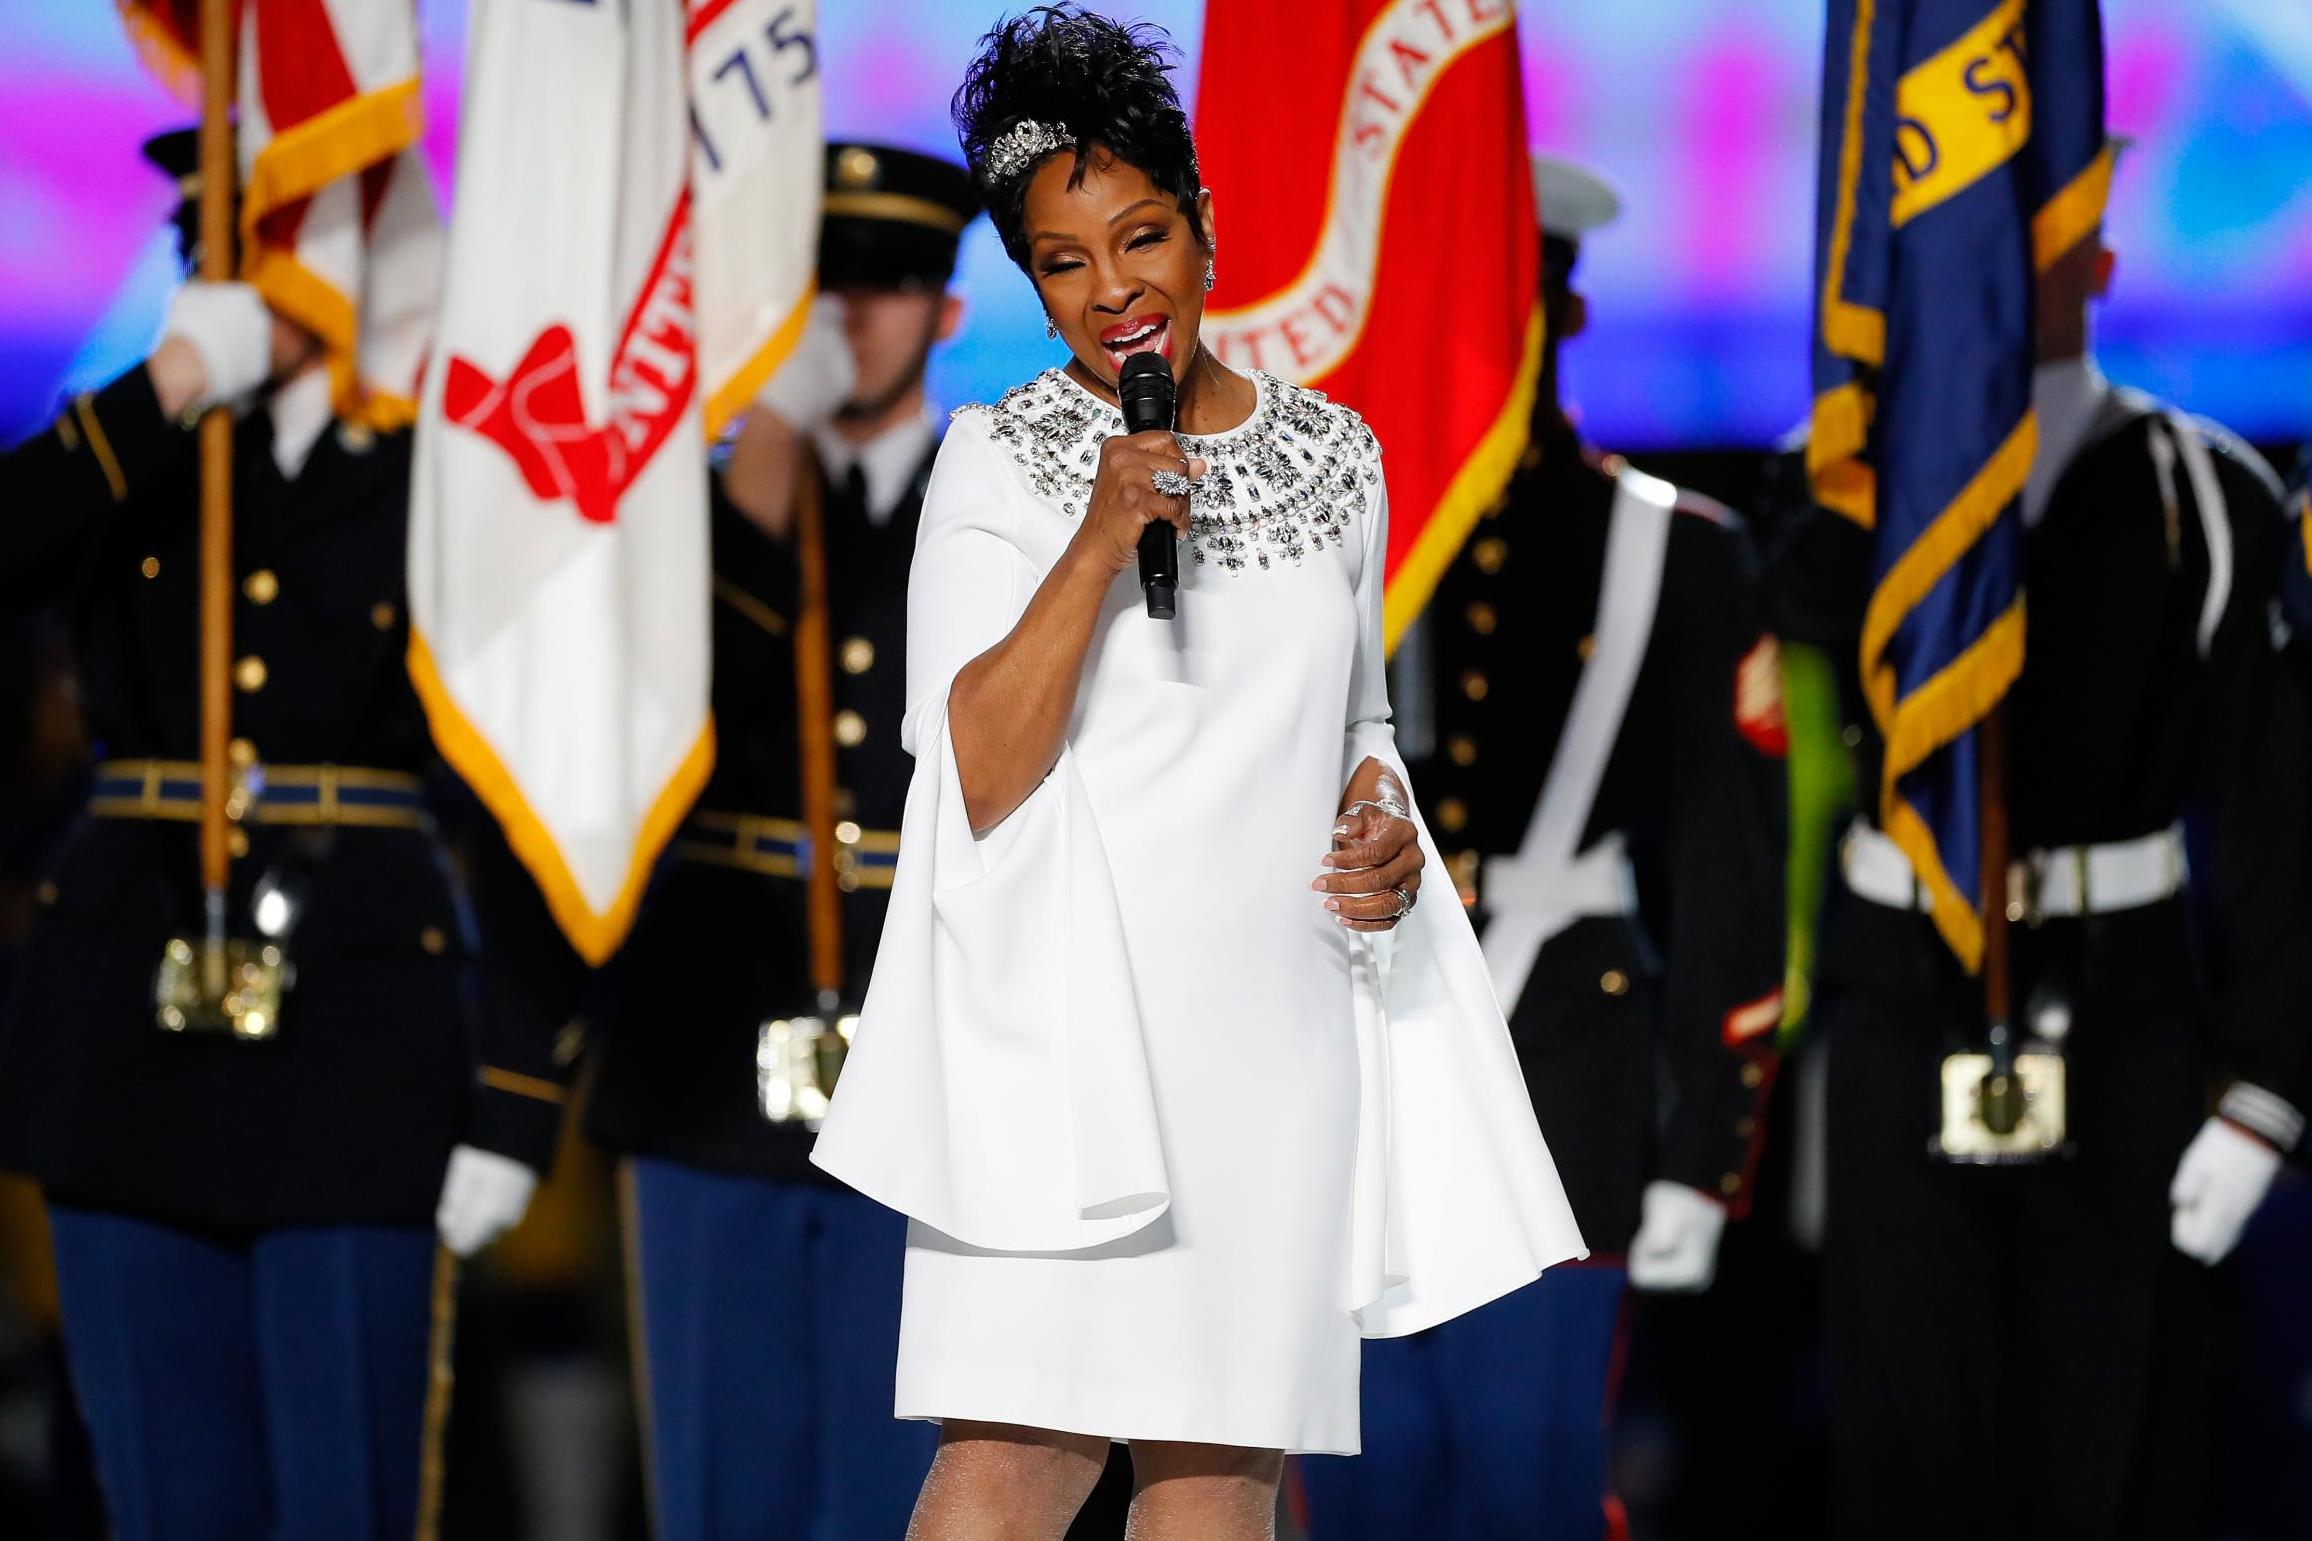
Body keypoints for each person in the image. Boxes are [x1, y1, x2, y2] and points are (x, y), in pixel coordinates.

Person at [806, 11, 1584, 1539]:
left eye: (1142, 236)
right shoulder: (1000, 455)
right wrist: (1101, 536)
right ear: (1033, 287)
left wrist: (1385, 834)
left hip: (1271, 1038)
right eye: (1066, 263)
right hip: (1063, 1033)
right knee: (1010, 1463)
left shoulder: (1340, 454)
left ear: (1206, 226)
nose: (1117, 291)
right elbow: (974, 761)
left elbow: (1356, 725)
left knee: (1224, 1469)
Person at [0, 130, 572, 1540]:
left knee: (348, 1502)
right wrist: (167, 386)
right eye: (220, 245)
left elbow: (546, 796)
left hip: (362, 1050)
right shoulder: (137, 448)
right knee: (164, 1503)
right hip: (126, 1037)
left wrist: (516, 1084)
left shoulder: (458, 476)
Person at [1772, 170, 2312, 1538]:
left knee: (2112, 1445)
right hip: (1900, 992)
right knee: (1904, 1447)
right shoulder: (1835, 480)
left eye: (2049, 236)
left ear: (2108, 260)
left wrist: (2266, 1091)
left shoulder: (2211, 494)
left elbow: (2275, 812)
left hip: (2124, 1005)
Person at [1299, 157, 1788, 1541]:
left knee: (1526, 1481)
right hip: (1346, 1077)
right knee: (1360, 1479)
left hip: (1564, 1071)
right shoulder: (1312, 542)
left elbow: (1728, 877)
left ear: (1561, 314)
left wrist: (1705, 1150)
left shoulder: (1673, 552)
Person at [579, 141, 977, 1541]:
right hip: (712, 1026)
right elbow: (653, 715)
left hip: (937, 1045)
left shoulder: (1005, 510)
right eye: (823, 284)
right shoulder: (693, 507)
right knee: (720, 1483)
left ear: (946, 311)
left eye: (887, 282)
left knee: (909, 1487)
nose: (851, 314)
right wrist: (767, 446)